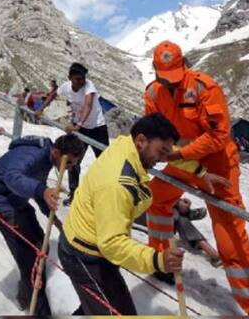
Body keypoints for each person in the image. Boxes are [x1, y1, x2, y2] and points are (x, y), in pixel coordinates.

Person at [143, 41, 249, 315]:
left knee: (229, 232)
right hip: (183, 162)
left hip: (217, 165)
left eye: (175, 77)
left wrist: (179, 155)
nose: (171, 84)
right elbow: (153, 129)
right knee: (156, 199)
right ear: (155, 71)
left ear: (184, 64)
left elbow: (218, 135)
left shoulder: (204, 87)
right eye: (165, 78)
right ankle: (162, 262)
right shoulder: (153, 92)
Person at [59, 113, 227, 315]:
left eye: (166, 151)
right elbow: (112, 243)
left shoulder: (128, 146)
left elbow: (171, 152)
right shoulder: (117, 184)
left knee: (97, 305)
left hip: (93, 244)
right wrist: (157, 260)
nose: (164, 159)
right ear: (141, 141)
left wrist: (199, 171)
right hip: (85, 255)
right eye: (161, 152)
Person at [0, 134, 86, 314]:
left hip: (17, 200)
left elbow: (39, 188)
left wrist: (52, 217)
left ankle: (25, 295)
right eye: (68, 163)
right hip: (2, 203)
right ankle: (40, 312)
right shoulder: (33, 155)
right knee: (29, 258)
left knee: (40, 245)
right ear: (56, 151)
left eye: (73, 165)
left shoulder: (48, 158)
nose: (69, 168)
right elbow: (12, 178)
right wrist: (42, 190)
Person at [37, 62, 109, 205]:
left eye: (82, 78)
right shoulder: (66, 87)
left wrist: (78, 124)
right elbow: (53, 95)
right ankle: (74, 194)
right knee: (73, 161)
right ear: (70, 78)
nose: (80, 81)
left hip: (97, 127)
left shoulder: (89, 86)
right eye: (77, 79)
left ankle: (104, 196)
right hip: (80, 128)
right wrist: (41, 109)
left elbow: (88, 106)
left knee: (105, 162)